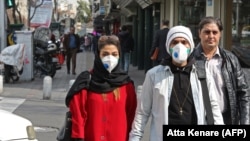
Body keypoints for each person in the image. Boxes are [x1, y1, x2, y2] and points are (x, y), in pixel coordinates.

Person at [129, 25, 224, 141]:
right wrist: (135, 137)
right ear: (169, 46)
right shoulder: (153, 75)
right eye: (175, 42)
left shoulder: (203, 74)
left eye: (184, 42)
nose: (180, 46)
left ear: (190, 46)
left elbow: (214, 108)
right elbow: (142, 112)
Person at [65, 35, 137, 141]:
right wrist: (79, 138)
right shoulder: (86, 82)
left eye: (114, 54)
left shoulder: (126, 85)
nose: (110, 58)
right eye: (105, 54)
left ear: (119, 56)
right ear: (98, 55)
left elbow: (131, 115)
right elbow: (78, 115)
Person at [192, 16, 250, 124]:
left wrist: (245, 122)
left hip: (226, 119)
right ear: (199, 33)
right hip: (198, 120)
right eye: (207, 32)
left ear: (220, 34)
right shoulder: (190, 59)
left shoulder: (230, 59)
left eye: (215, 32)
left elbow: (243, 93)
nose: (211, 36)